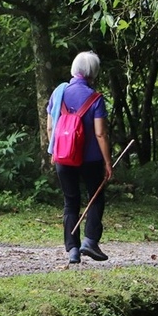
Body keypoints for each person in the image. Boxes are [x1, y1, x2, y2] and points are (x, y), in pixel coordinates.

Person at [46, 51, 112, 264]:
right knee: (95, 197)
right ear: (93, 72)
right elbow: (100, 133)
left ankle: (72, 249)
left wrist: (53, 151)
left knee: (70, 201)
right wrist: (108, 162)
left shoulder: (58, 92)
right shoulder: (96, 98)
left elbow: (50, 127)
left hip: (63, 157)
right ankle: (90, 241)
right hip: (90, 159)